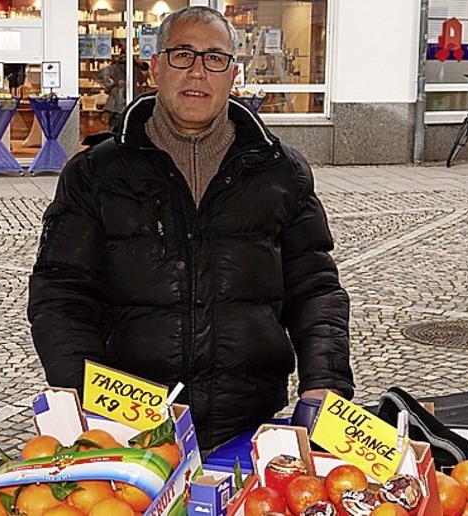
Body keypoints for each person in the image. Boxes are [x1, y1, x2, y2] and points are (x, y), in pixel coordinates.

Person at [28, 6, 354, 452]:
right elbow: (60, 294)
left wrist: (325, 381)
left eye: (214, 58)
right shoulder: (96, 173)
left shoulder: (281, 172)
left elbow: (315, 287)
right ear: (155, 68)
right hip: (133, 430)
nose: (198, 71)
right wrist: (86, 396)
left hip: (251, 425)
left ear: (232, 74)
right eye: (183, 55)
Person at [97, 50, 149, 131]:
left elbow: (102, 75)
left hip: (117, 98)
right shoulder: (134, 67)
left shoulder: (115, 66)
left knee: (115, 125)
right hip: (132, 95)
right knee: (131, 123)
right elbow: (142, 80)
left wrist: (111, 86)